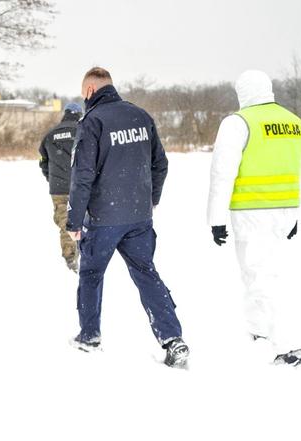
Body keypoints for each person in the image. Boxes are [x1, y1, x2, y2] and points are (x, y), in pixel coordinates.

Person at [65, 67, 189, 367]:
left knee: (91, 275)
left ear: (90, 91)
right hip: (138, 217)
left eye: (84, 93)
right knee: (147, 273)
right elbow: (161, 164)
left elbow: (82, 176)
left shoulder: (92, 121)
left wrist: (73, 221)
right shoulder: (140, 116)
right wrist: (151, 200)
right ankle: (173, 339)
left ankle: (89, 336)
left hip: (103, 219)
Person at [207, 69, 301, 366]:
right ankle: (259, 332)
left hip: (253, 212)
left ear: (243, 92)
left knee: (260, 277)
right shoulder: (295, 123)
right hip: (284, 210)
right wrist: (295, 214)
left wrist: (216, 218)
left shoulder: (238, 123)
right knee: (261, 274)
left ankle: (288, 344)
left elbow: (221, 174)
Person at [39, 102, 84, 272]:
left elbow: (43, 162)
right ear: (79, 115)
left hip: (58, 188)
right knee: (86, 219)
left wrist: (52, 179)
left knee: (65, 222)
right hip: (81, 185)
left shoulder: (50, 135)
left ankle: (70, 257)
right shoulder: (83, 131)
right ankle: (86, 253)